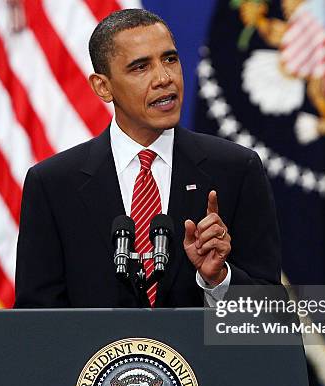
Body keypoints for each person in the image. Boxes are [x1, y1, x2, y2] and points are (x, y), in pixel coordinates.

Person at [14, 9, 281, 308]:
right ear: (103, 86)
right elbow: (35, 323)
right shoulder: (53, 185)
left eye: (170, 59)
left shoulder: (236, 170)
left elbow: (271, 315)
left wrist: (219, 280)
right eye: (141, 67)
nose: (164, 78)